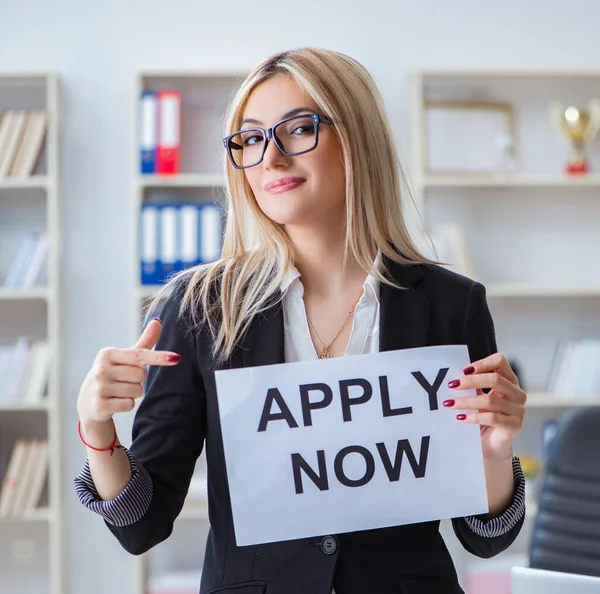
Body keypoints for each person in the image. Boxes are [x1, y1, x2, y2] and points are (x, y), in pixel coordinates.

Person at [74, 47, 527, 594]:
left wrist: (494, 452)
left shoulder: (451, 305)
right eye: (251, 138)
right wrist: (97, 429)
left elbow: (485, 537)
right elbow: (141, 526)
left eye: (297, 129)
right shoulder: (200, 308)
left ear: (357, 137)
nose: (271, 158)